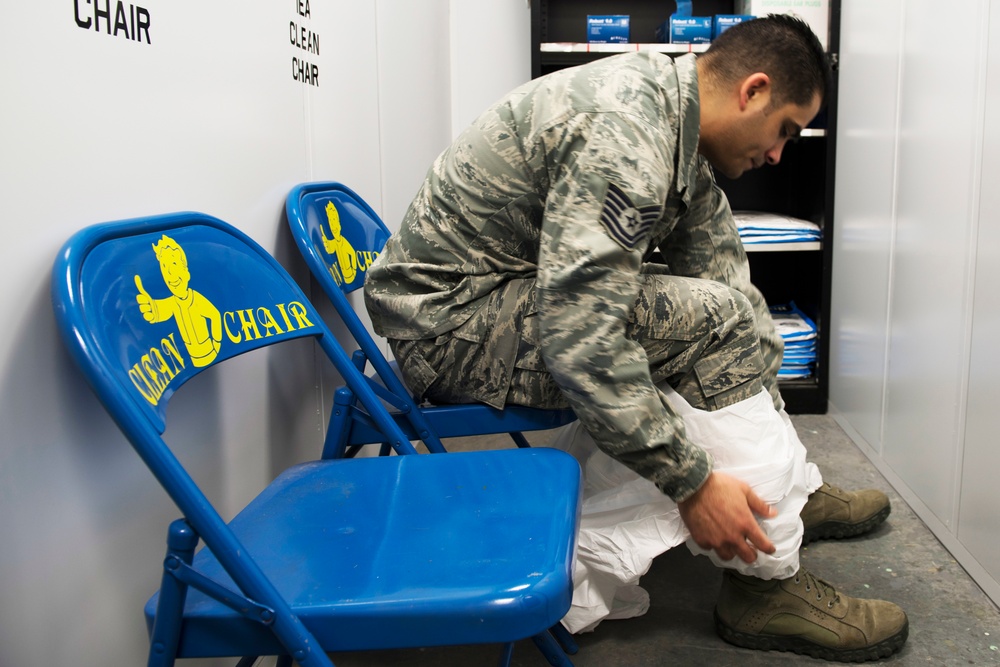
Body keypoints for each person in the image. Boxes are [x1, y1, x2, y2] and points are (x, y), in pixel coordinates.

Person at [365, 14, 907, 662]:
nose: (777, 155)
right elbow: (580, 333)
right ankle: (764, 585)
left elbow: (731, 283)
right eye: (785, 130)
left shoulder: (677, 125)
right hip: (449, 324)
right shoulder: (627, 130)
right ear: (753, 90)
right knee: (711, 321)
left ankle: (785, 490)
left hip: (503, 300)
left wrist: (771, 441)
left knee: (734, 312)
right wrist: (694, 483)